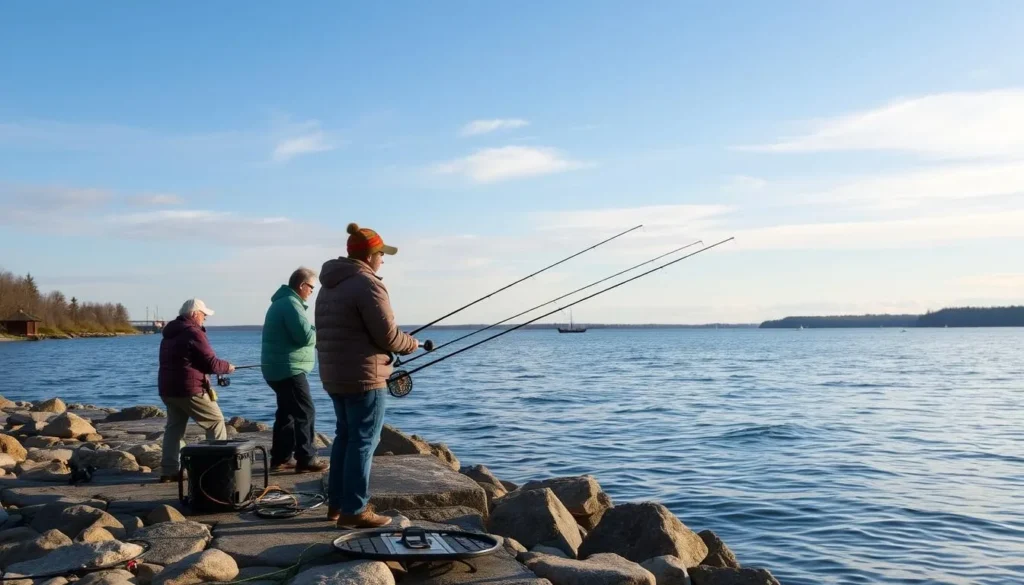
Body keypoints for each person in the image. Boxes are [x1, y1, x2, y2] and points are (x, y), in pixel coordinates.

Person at [316, 222, 419, 528]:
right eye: (381, 254)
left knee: (346, 439)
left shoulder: (328, 284)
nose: (383, 260)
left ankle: (336, 505)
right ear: (371, 254)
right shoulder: (367, 284)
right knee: (363, 442)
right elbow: (388, 336)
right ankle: (355, 510)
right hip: (364, 377)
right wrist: (410, 344)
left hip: (335, 376)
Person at [157, 298, 235, 482]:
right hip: (189, 389)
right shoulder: (193, 333)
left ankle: (169, 470)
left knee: (174, 428)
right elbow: (211, 363)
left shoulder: (170, 333)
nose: (204, 319)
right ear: (194, 314)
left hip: (168, 388)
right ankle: (215, 469)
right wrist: (228, 367)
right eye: (203, 315)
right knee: (215, 422)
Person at [261, 267, 328, 473]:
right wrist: (317, 331)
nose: (312, 292)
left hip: (276, 368)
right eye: (311, 287)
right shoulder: (291, 304)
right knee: (305, 411)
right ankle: (306, 458)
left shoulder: (282, 302)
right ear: (301, 285)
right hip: (289, 369)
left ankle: (281, 458)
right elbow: (305, 337)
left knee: (286, 413)